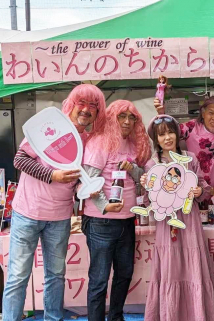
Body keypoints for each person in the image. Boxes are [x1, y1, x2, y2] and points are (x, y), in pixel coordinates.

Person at [3, 84, 107, 321]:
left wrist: (85, 188)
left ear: (98, 112)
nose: (86, 109)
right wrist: (52, 175)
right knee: (18, 275)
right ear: (71, 104)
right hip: (27, 212)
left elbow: (79, 179)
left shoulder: (89, 141)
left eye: (93, 106)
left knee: (56, 275)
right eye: (82, 103)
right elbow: (20, 160)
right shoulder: (50, 127)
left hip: (60, 217)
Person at [134, 115, 214, 321]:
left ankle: (197, 315)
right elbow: (149, 201)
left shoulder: (191, 158)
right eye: (161, 134)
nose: (167, 138)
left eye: (170, 132)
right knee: (170, 267)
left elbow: (204, 188)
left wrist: (199, 191)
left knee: (193, 264)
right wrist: (147, 186)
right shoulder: (152, 164)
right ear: (156, 139)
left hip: (189, 220)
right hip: (167, 223)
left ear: (177, 134)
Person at [82, 100, 151, 321]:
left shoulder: (132, 144)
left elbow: (142, 178)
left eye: (132, 117)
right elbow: (88, 181)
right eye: (122, 116)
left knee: (124, 274)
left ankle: (116, 317)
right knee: (99, 279)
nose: (127, 121)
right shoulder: (99, 142)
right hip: (101, 222)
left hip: (127, 220)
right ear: (111, 117)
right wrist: (104, 206)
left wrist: (134, 169)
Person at [154, 78, 214, 188]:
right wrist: (161, 111)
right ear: (203, 113)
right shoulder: (191, 127)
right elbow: (167, 132)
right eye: (211, 113)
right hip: (197, 188)